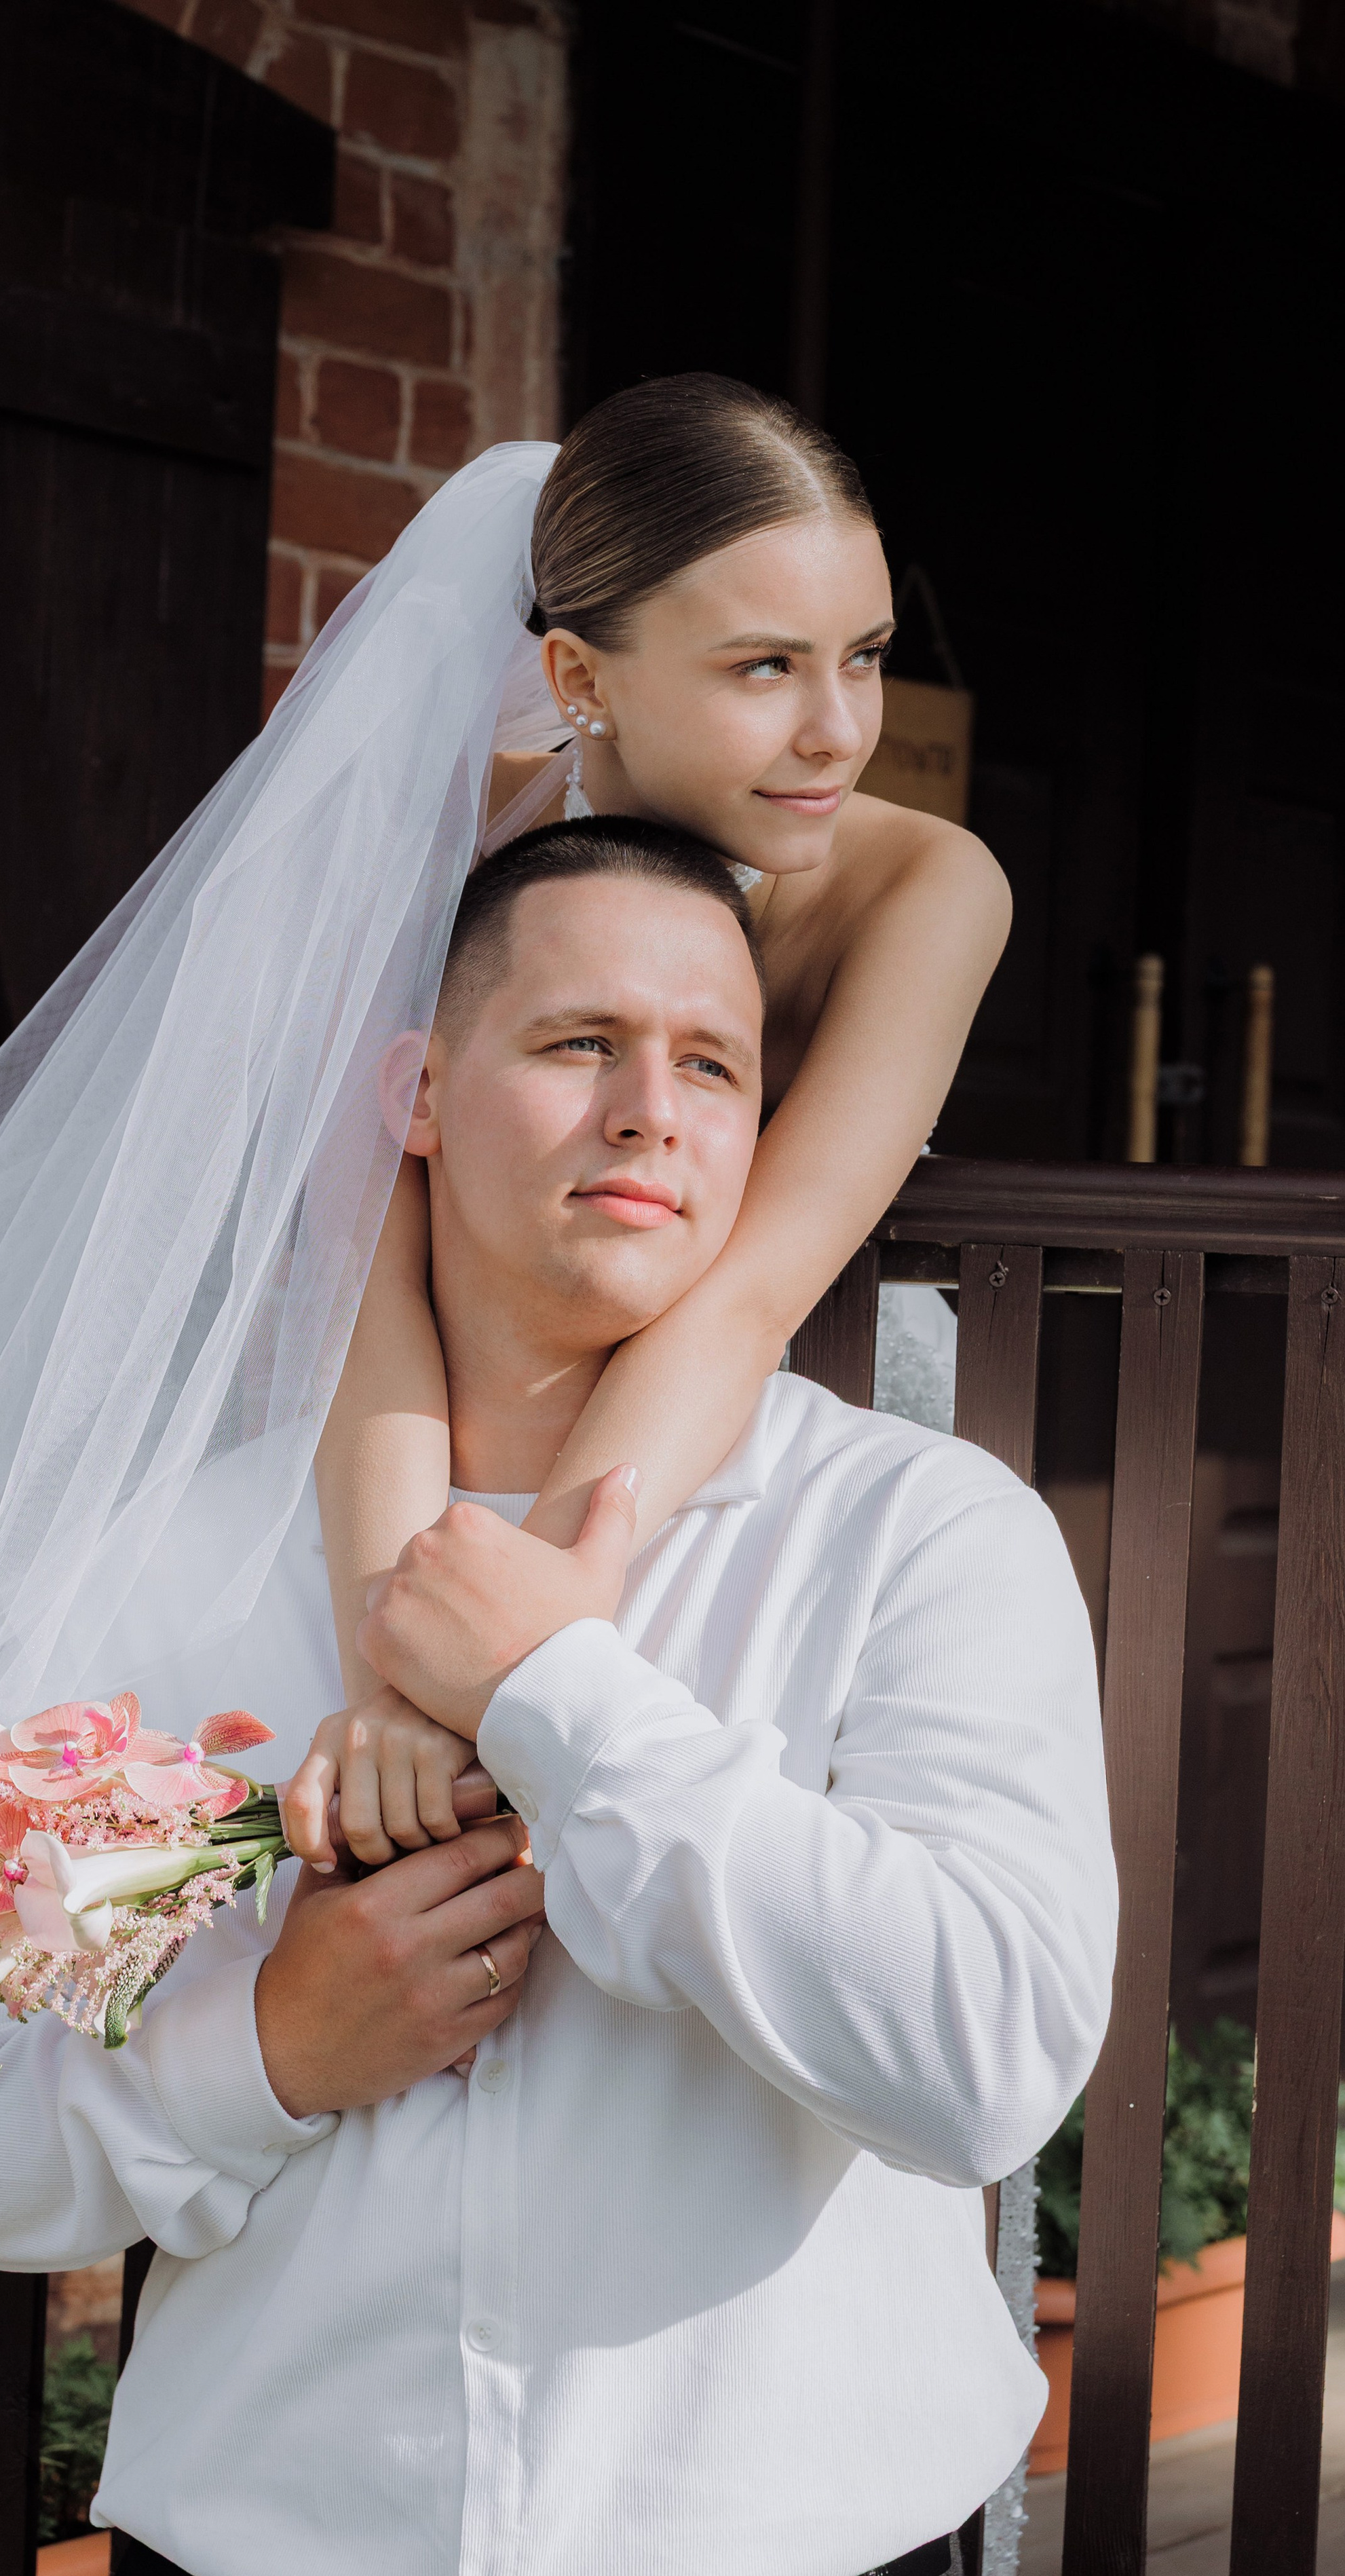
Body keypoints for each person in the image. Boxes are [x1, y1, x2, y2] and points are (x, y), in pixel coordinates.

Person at [0, 819, 1116, 2576]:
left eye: (712, 1064)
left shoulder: (918, 1531)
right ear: (418, 1089)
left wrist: (560, 1694)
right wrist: (267, 2051)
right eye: (580, 1042)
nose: (650, 1109)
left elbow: (987, 2066)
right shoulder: (129, 1580)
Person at [295, 374, 1010, 1869]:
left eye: (863, 658)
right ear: (577, 677)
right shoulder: (419, 840)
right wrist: (396, 1666)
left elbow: (744, 1295)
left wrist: (515, 1647)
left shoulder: (920, 888)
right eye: (763, 667)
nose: (836, 732)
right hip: (415, 1462)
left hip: (756, 1435)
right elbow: (358, 1275)